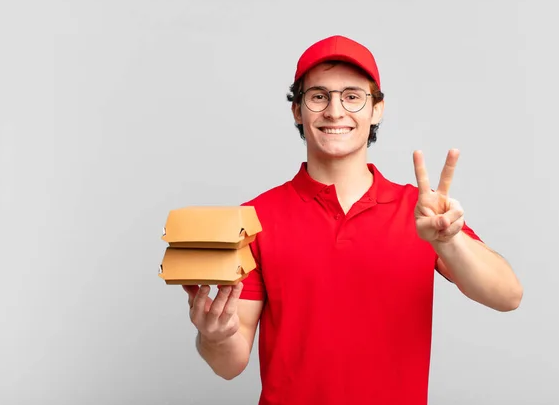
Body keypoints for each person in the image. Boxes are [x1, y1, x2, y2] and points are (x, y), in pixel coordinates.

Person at [182, 35, 523, 405]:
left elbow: (508, 296)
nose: (334, 111)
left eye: (352, 96)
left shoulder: (421, 211)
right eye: (318, 96)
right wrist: (214, 336)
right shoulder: (254, 217)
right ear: (298, 110)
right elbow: (230, 364)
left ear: (376, 109)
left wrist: (448, 242)